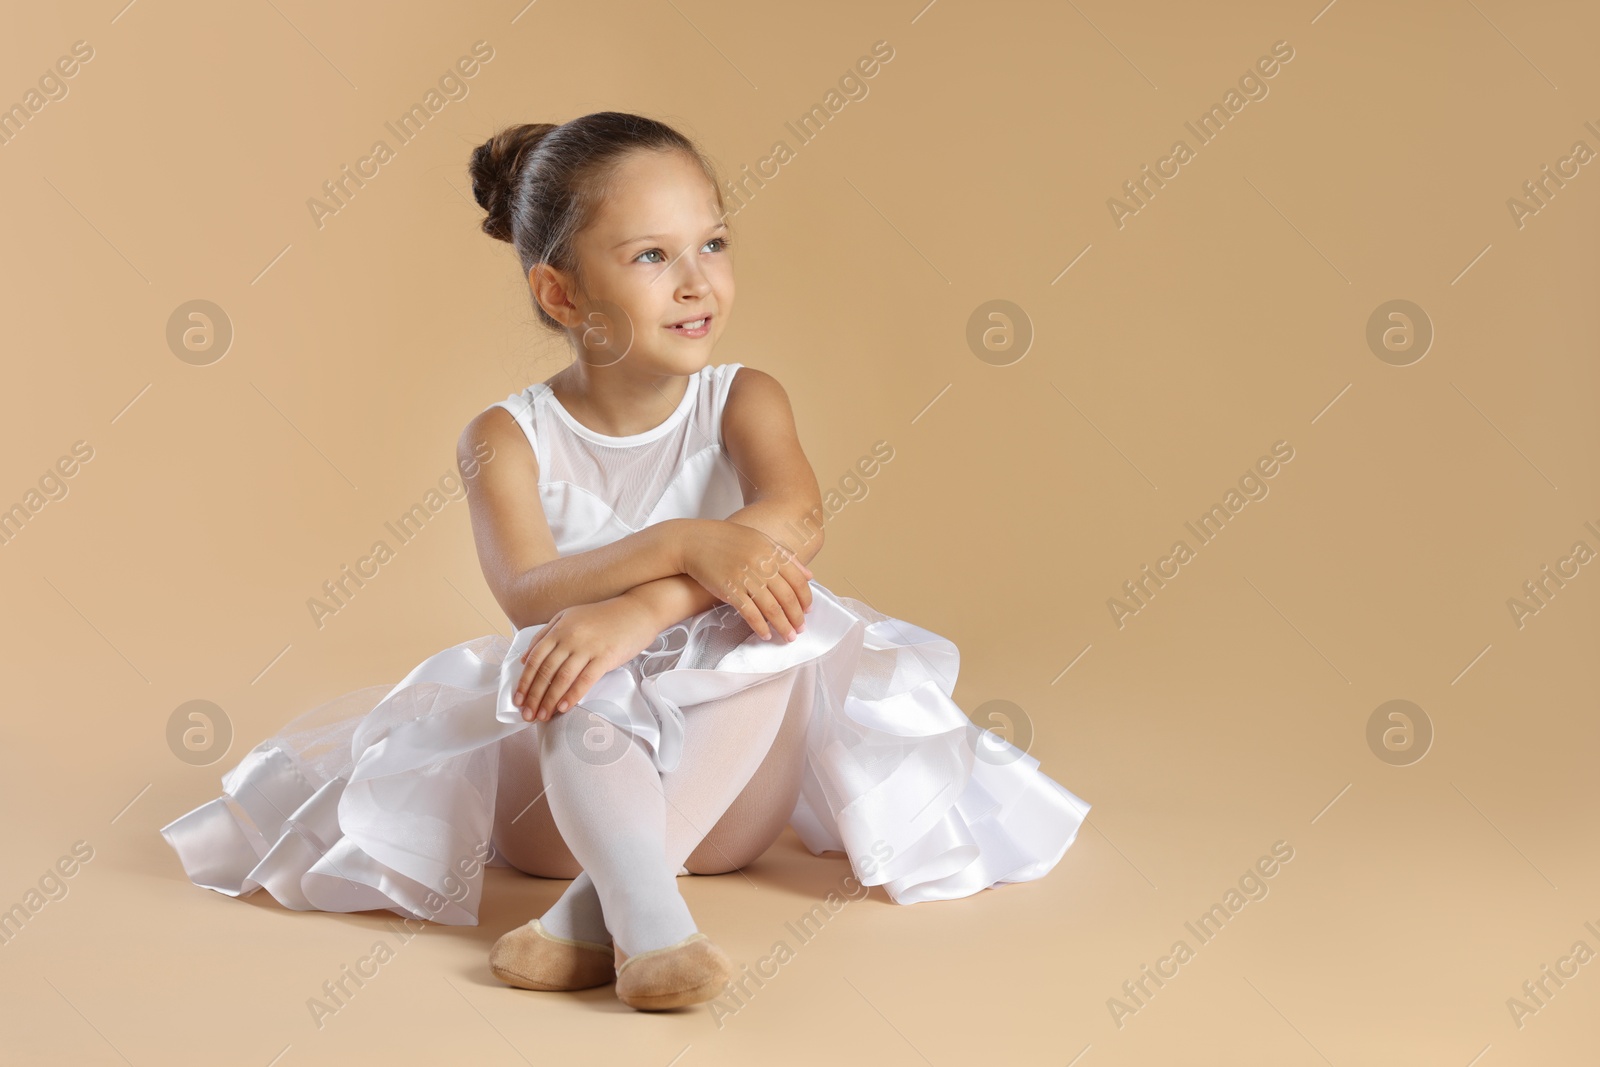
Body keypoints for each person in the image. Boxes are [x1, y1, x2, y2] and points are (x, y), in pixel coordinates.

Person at [159, 111, 1091, 1012]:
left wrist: (646, 608)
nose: (697, 282)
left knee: (781, 614)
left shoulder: (743, 399)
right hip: (557, 804)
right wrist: (684, 542)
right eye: (652, 256)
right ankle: (643, 920)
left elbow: (797, 519)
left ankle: (595, 921)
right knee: (577, 658)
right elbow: (526, 589)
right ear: (561, 295)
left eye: (713, 245)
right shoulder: (505, 436)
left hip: (725, 804)